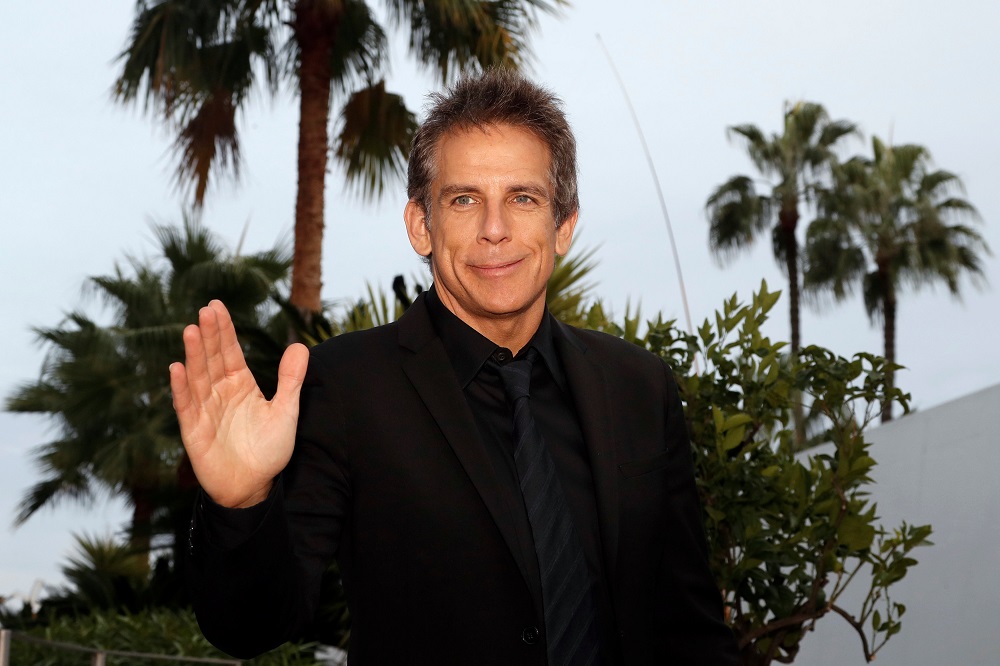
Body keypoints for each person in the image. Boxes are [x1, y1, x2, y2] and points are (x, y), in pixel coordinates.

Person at [171, 69, 740, 665]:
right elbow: (252, 625)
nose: (495, 230)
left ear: (564, 224)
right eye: (464, 200)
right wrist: (240, 505)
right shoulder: (344, 387)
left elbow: (690, 628)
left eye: (523, 198)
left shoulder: (638, 386)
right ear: (421, 225)